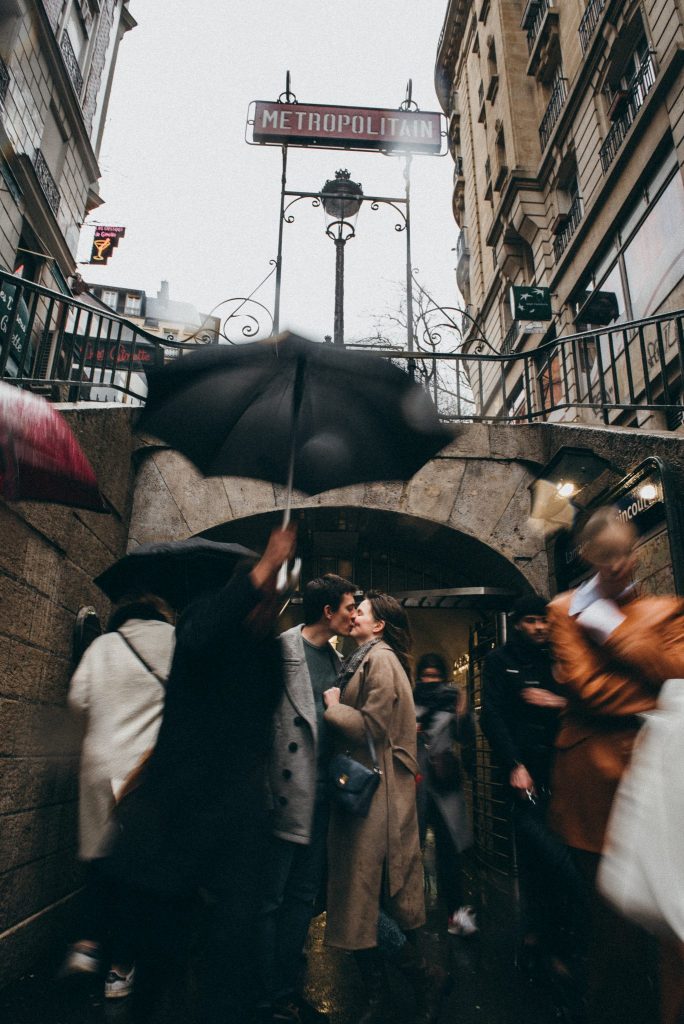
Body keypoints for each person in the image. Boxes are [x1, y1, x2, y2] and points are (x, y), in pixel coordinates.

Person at [107, 526, 296, 1024]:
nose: (268, 603)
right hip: (178, 810)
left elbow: (262, 719)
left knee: (232, 940)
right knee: (162, 942)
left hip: (236, 816)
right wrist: (259, 570)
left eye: (274, 595)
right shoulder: (202, 623)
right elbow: (198, 637)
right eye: (262, 591)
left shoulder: (269, 650)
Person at [547, 506, 684, 1024]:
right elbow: (587, 689)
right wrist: (651, 692)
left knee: (674, 919)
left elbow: (679, 670)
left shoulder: (667, 609)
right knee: (613, 932)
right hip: (593, 788)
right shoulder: (563, 610)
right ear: (588, 558)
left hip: (664, 778)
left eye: (626, 554)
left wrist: (610, 630)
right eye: (608, 560)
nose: (621, 566)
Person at [323, 592, 437, 1024]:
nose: (353, 615)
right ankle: (394, 988)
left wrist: (334, 707)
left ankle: (421, 979)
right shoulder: (364, 659)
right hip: (369, 790)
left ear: (379, 626)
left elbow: (372, 725)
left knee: (364, 897)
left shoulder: (381, 660)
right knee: (366, 897)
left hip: (376, 792)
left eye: (362, 612)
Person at [62, 593, 175, 998]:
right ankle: (119, 968)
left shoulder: (104, 644)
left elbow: (77, 701)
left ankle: (87, 945)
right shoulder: (179, 643)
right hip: (143, 772)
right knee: (137, 870)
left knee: (98, 857)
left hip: (99, 763)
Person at [259, 573, 357, 1024]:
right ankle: (260, 995)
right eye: (350, 606)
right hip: (282, 793)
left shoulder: (338, 661)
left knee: (302, 898)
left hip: (322, 796)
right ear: (328, 611)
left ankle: (286, 991)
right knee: (270, 898)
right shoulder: (281, 650)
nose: (354, 614)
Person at [481, 594, 582, 978]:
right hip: (524, 775)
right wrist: (514, 765)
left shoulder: (558, 656)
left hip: (564, 768)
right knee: (539, 855)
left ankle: (551, 936)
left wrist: (555, 702)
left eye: (544, 620)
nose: (540, 627)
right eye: (531, 621)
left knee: (562, 855)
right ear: (517, 623)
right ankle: (538, 935)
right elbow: (492, 716)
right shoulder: (499, 661)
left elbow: (580, 700)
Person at [413, 652, 476, 936]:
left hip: (444, 783)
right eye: (426, 677)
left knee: (449, 852)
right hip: (413, 782)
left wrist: (463, 712)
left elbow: (465, 738)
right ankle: (408, 917)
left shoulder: (453, 700)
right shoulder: (409, 698)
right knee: (409, 849)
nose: (431, 682)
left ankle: (456, 914)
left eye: (436, 677)